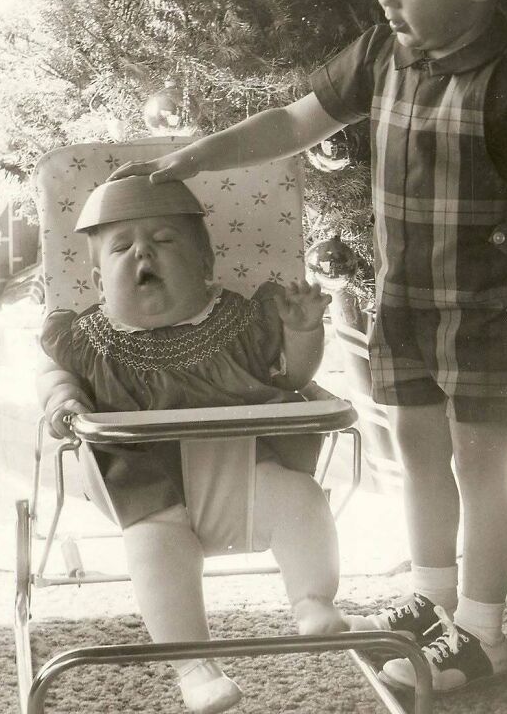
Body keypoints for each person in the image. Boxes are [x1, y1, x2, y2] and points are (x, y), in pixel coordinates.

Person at [109, 0, 507, 696]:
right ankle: (432, 598)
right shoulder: (381, 52)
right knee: (415, 452)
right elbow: (294, 120)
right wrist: (205, 154)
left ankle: (482, 630)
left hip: (490, 307)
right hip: (406, 303)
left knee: (481, 466)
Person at [36, 176, 347, 714]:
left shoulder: (243, 322)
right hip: (145, 489)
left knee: (303, 502)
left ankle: (313, 600)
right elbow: (51, 372)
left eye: (164, 240)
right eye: (121, 247)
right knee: (154, 548)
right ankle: (194, 665)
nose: (143, 253)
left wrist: (303, 334)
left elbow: (293, 376)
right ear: (96, 279)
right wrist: (63, 399)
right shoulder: (85, 339)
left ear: (206, 266)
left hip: (249, 470)